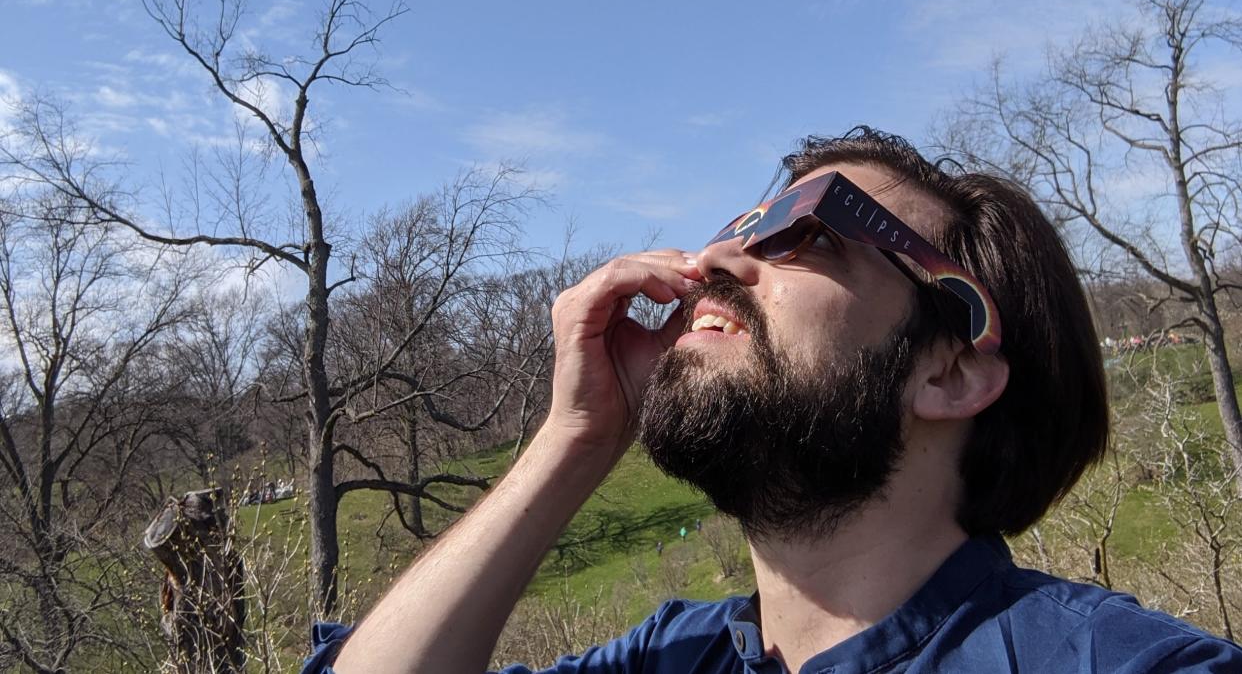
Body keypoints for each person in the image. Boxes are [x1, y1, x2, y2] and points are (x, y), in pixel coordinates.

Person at [306, 127, 1242, 673]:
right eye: (745, 224)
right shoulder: (674, 655)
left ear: (949, 371)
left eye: (810, 233)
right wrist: (576, 438)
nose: (716, 257)